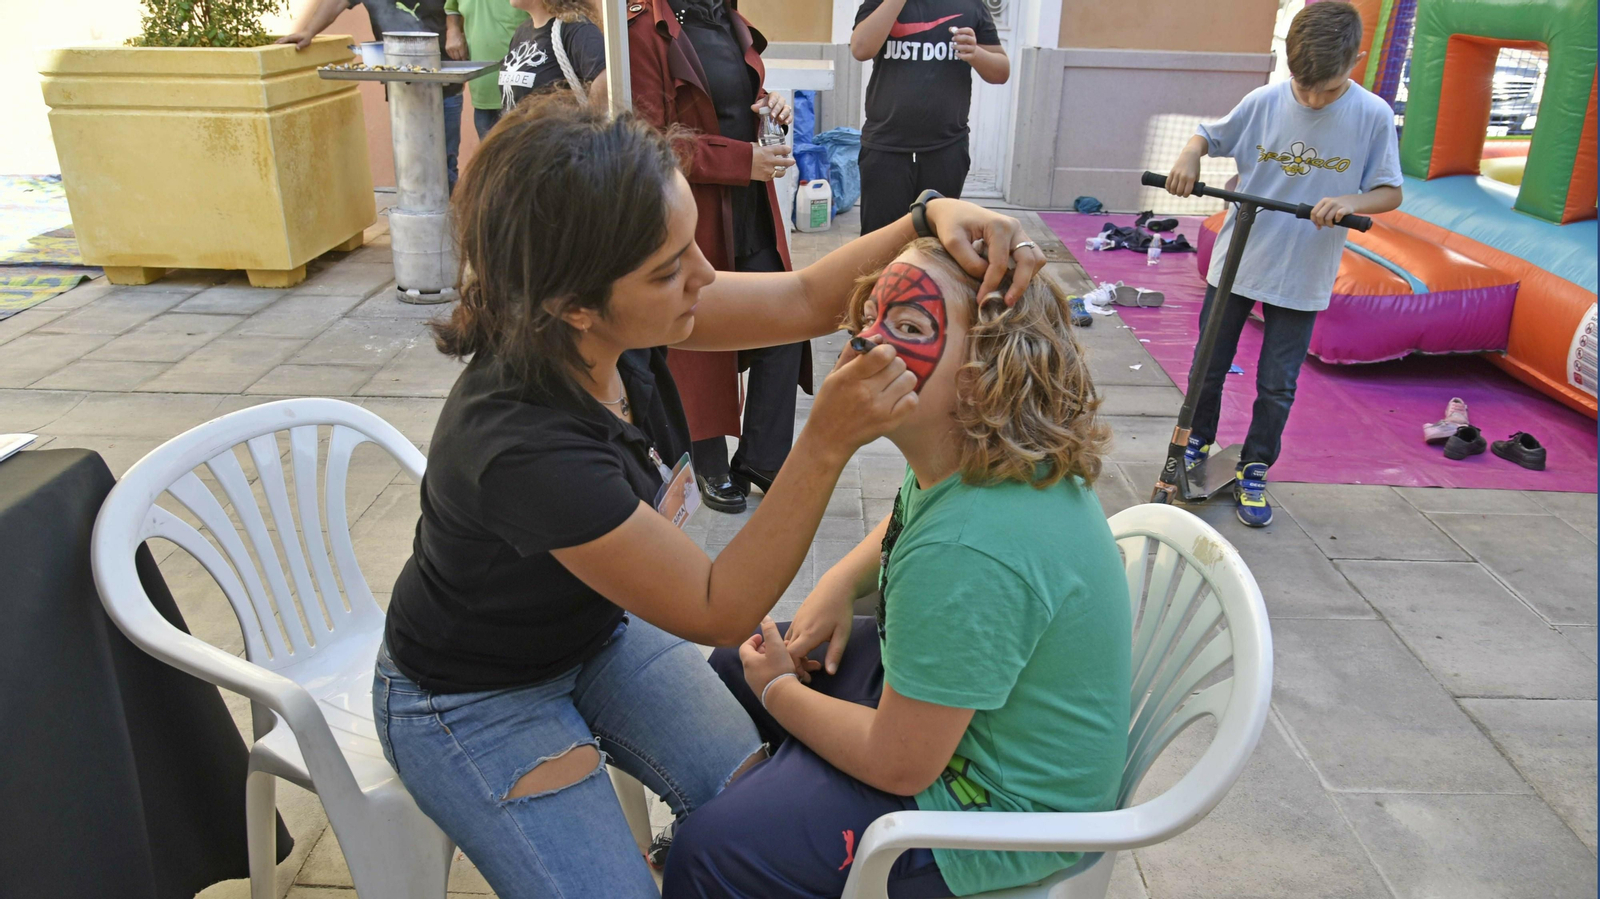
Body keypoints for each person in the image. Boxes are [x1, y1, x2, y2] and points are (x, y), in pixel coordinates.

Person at [371, 94, 1047, 899]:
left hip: (593, 637)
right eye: (669, 269)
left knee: (743, 812)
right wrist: (826, 438)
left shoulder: (626, 326)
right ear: (572, 303)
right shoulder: (523, 447)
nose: (702, 279)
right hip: (471, 694)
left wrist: (929, 217)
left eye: (691, 245)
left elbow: (802, 301)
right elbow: (718, 603)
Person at [660, 239, 1131, 899]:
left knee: (707, 852)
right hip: (960, 730)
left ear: (984, 371)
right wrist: (840, 584)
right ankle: (782, 808)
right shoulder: (974, 457)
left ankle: (758, 840)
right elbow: (905, 517)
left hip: (987, 811)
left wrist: (781, 695)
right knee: (731, 668)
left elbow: (902, 760)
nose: (866, 342)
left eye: (908, 328)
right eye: (871, 316)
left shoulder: (971, 547)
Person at [1164, 0, 1401, 527]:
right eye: (1303, 85)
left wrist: (1350, 202)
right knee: (1208, 366)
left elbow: (1389, 191)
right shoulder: (1265, 100)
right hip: (1240, 261)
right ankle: (1198, 442)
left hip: (1303, 271)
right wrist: (1189, 153)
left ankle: (1254, 465)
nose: (1313, 97)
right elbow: (1211, 132)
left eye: (1327, 88)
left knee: (1277, 383)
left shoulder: (1372, 116)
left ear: (1355, 61)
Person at [629, 0, 809, 514]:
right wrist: (741, 159)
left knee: (786, 320)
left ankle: (762, 458)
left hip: (749, 202)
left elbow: (732, 99)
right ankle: (705, 459)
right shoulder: (645, 23)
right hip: (693, 209)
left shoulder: (723, 16)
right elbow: (651, 137)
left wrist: (768, 103)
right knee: (696, 330)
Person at [850, 0, 1010, 235]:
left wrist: (976, 53)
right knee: (879, 248)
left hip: (946, 150)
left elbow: (1001, 71)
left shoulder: (970, 4)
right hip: (885, 150)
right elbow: (861, 49)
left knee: (937, 247)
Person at [279, 0, 469, 190]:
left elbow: (459, 6)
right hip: (400, 87)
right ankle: (421, 213)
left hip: (445, 79)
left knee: (444, 161)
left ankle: (449, 213)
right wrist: (309, 31)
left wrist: (455, 30)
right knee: (413, 162)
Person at [497, 0, 608, 112]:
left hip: (553, 128)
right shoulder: (522, 31)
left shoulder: (577, 29)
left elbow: (605, 78)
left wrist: (587, 119)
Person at [444, 0, 529, 138]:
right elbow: (452, 8)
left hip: (523, 93)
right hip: (483, 91)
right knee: (490, 158)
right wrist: (453, 29)